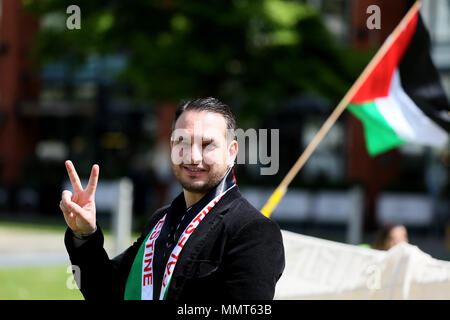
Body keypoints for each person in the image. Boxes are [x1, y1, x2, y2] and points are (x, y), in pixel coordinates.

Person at [60, 97, 285, 300]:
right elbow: (105, 292)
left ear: (232, 152)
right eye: (183, 143)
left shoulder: (253, 232)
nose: (193, 157)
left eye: (207, 145)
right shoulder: (161, 220)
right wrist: (84, 235)